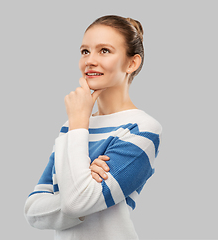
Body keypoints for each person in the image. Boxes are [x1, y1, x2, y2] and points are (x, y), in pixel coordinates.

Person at [24, 15, 162, 240]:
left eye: (104, 50)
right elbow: (32, 211)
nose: (90, 60)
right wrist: (84, 181)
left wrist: (79, 123)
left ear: (132, 63)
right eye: (85, 51)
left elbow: (76, 203)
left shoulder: (142, 128)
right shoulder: (70, 126)